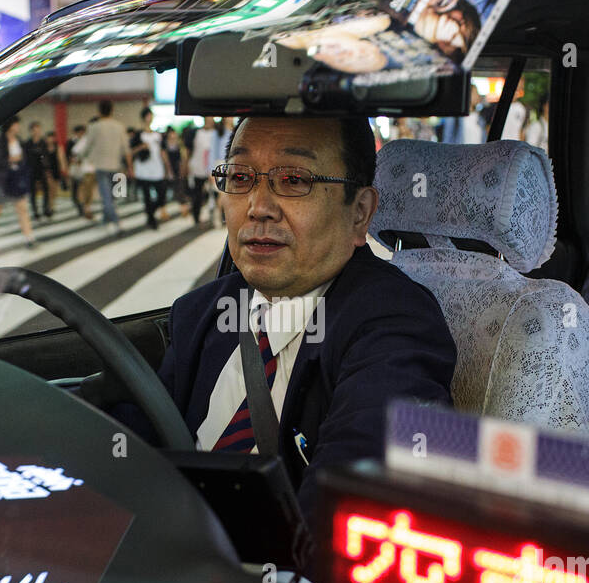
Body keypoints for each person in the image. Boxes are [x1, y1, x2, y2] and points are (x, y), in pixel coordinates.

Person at [123, 116, 456, 522]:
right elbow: (135, 440)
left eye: (295, 180)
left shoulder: (395, 324)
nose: (258, 208)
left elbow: (348, 507)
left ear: (359, 213)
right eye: (241, 177)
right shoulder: (201, 313)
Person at [79, 100, 132, 234]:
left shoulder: (94, 127)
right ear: (112, 110)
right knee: (111, 196)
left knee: (106, 196)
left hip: (101, 166)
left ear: (99, 111)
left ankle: (117, 223)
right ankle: (105, 220)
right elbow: (126, 149)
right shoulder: (119, 126)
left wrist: (80, 157)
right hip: (116, 166)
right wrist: (130, 167)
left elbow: (88, 145)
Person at [0, 118, 36, 249]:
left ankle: (29, 238)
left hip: (16, 179)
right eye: (16, 124)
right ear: (10, 126)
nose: (18, 126)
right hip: (1, 181)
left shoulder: (19, 141)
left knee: (22, 208)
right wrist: (11, 159)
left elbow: (24, 159)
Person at [133, 108, 171, 229]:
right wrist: (141, 147)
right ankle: (151, 220)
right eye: (148, 116)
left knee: (161, 196)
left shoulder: (158, 135)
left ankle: (150, 213)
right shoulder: (138, 135)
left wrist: (167, 167)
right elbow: (131, 151)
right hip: (143, 170)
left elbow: (163, 152)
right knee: (147, 197)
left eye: (151, 116)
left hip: (157, 169)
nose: (150, 118)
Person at [187, 117, 218, 225]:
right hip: (198, 169)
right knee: (198, 195)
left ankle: (214, 217)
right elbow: (189, 151)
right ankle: (196, 217)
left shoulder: (216, 133)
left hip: (213, 169)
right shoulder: (196, 133)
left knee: (215, 194)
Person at [24, 121, 52, 221]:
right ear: (31, 131)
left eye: (38, 130)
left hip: (42, 170)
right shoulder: (27, 143)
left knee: (46, 190)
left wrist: (48, 171)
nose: (37, 132)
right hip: (31, 170)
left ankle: (46, 209)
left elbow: (47, 157)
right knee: (33, 192)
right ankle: (35, 211)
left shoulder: (43, 143)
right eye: (35, 130)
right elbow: (25, 158)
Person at [163, 128, 188, 217]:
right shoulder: (165, 145)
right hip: (168, 170)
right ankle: (164, 212)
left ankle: (184, 210)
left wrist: (183, 170)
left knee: (180, 189)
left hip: (179, 170)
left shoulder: (180, 145)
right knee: (165, 190)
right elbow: (165, 160)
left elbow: (184, 159)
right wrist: (168, 171)